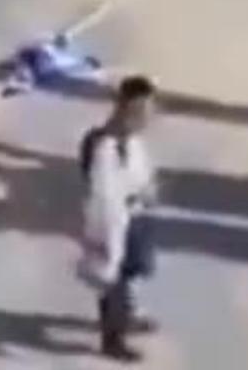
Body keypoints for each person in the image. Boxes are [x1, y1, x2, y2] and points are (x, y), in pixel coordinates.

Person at [79, 75, 158, 360]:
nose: (146, 119)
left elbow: (141, 174)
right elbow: (101, 193)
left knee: (132, 270)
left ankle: (128, 313)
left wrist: (146, 191)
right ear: (124, 108)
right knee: (112, 279)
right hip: (110, 223)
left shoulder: (134, 142)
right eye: (140, 112)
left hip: (134, 218)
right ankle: (113, 338)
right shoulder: (100, 144)